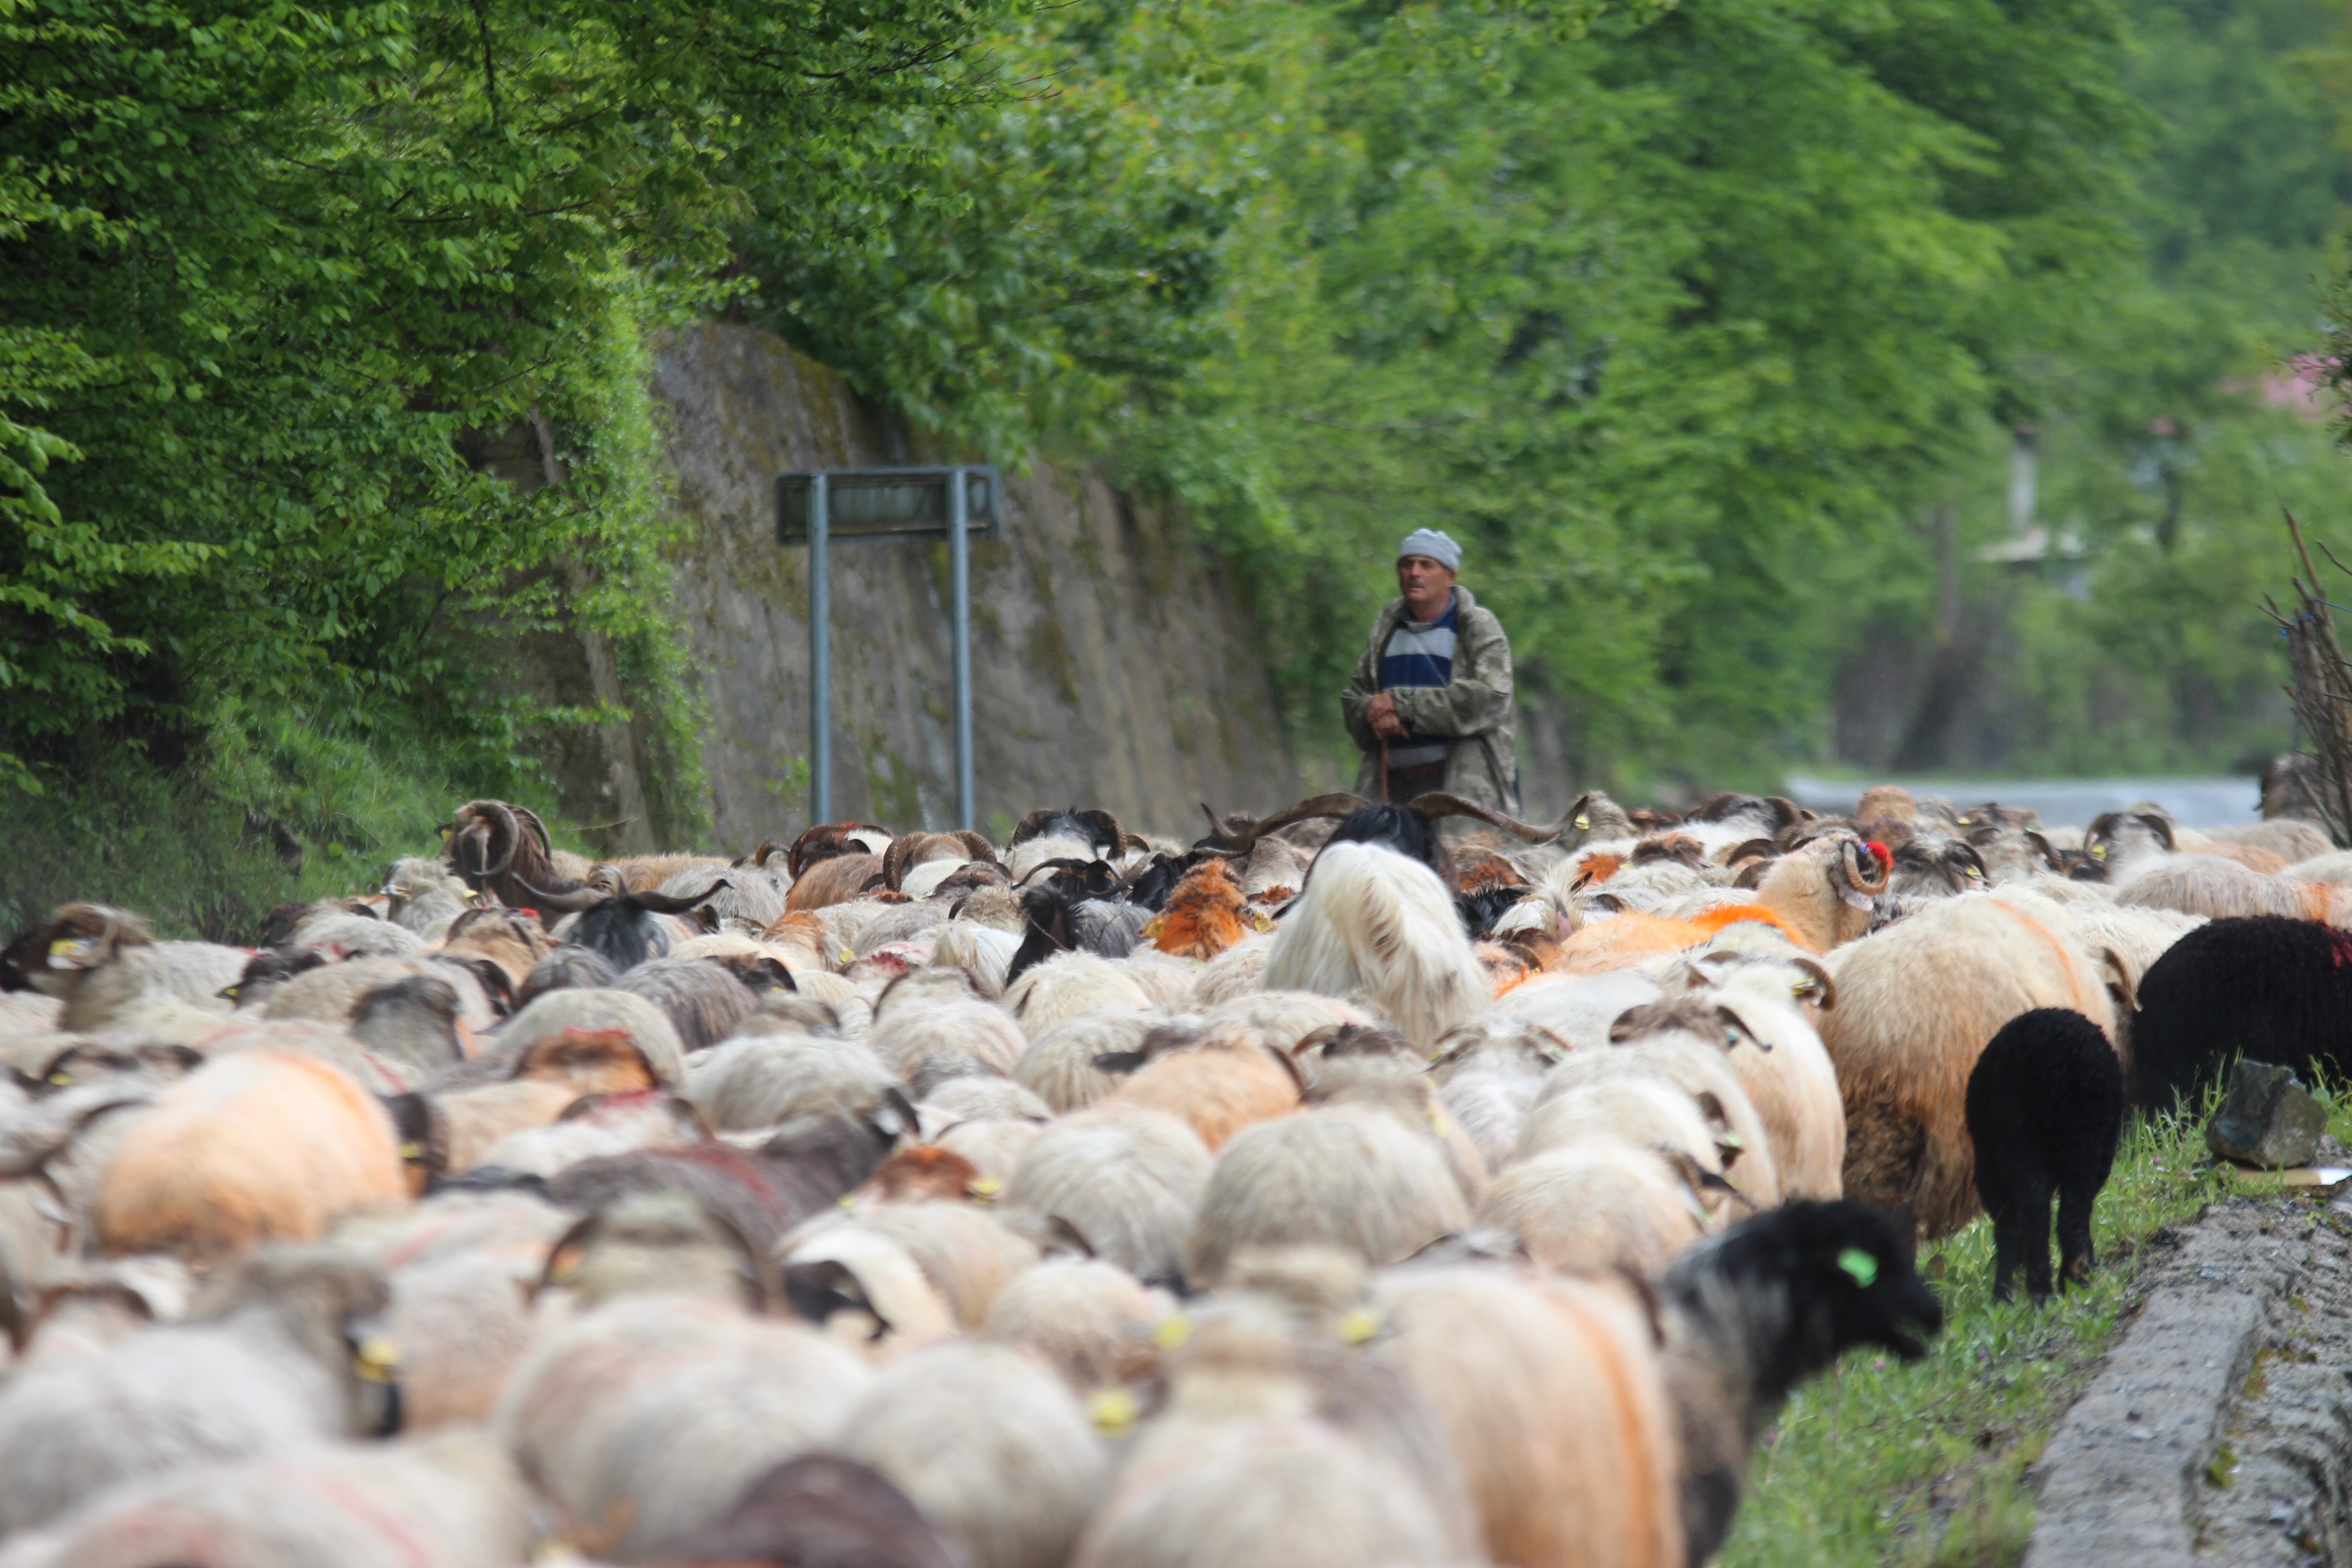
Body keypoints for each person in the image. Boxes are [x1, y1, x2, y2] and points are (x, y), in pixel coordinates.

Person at [1340, 529, 1518, 812]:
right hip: (1391, 791)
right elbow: (1356, 699)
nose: (1414, 573)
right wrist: (1372, 713)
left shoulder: (1476, 626)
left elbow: (1490, 699)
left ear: (1450, 577)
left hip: (1461, 793)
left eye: (1426, 565)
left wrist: (1402, 705)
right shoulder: (1387, 628)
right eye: (1407, 564)